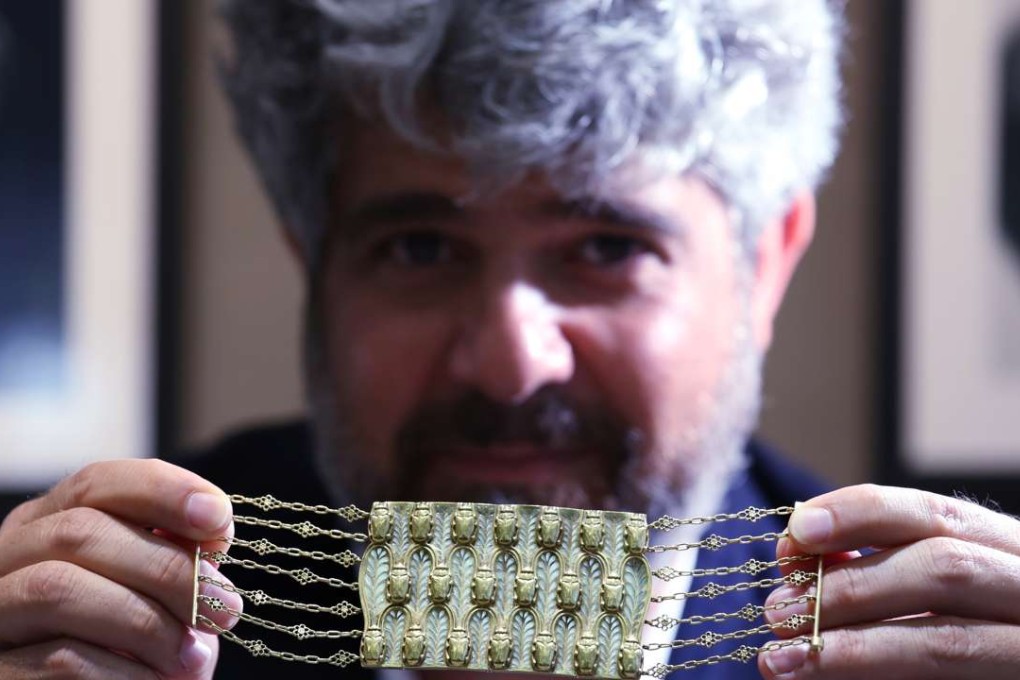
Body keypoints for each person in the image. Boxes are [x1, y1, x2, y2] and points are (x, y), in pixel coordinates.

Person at [2, 1, 1019, 679]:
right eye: (421, 245)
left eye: (605, 246)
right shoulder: (111, 616)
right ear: (313, 257)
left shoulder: (907, 644)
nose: (510, 359)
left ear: (766, 264)